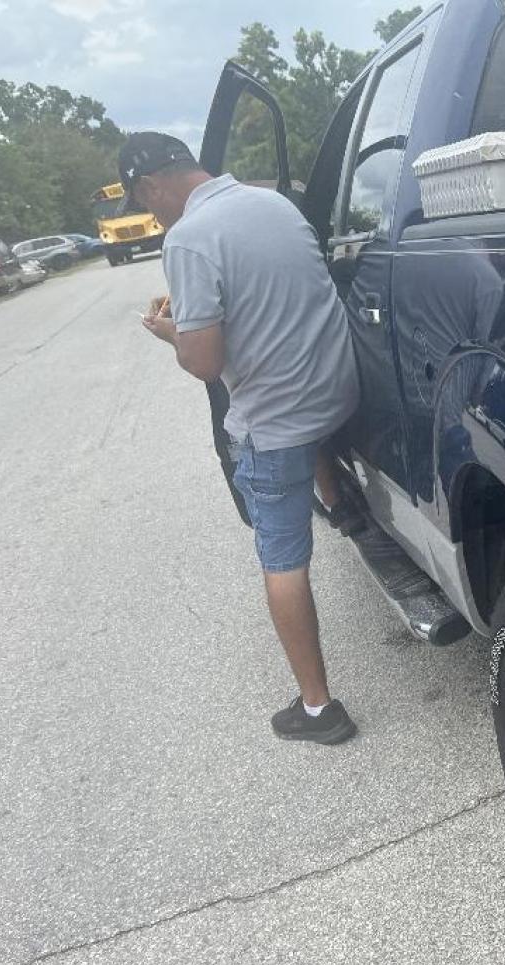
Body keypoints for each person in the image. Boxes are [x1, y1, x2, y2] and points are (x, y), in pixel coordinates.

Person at [127, 131, 360, 746]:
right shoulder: (271, 202)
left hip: (279, 421)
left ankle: (317, 710)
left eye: (147, 202)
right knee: (293, 415)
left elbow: (204, 363)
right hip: (337, 391)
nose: (154, 215)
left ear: (152, 185)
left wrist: (167, 332)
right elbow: (268, 295)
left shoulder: (188, 239)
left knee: (281, 559)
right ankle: (342, 506)